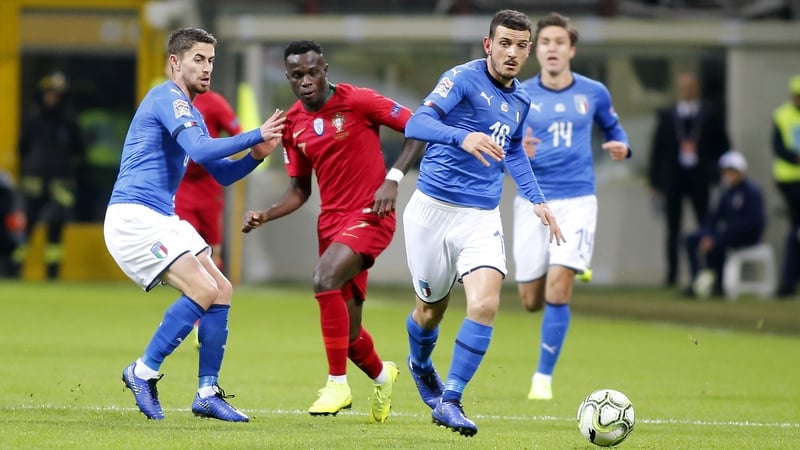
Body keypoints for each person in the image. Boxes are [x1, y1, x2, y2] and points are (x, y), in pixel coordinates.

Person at [104, 27, 285, 421]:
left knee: (220, 289)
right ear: (175, 62)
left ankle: (206, 392)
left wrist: (255, 154)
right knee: (203, 288)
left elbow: (218, 173)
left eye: (211, 61)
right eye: (199, 59)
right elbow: (201, 151)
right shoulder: (166, 97)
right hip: (134, 216)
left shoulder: (190, 108)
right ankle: (143, 371)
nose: (207, 68)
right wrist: (255, 133)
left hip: (161, 216)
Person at [241, 40, 426, 423]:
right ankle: (381, 375)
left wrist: (393, 179)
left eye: (312, 72)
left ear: (324, 68)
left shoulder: (358, 101)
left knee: (323, 277)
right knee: (352, 333)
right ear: (288, 77)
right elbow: (299, 190)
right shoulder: (292, 124)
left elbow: (419, 128)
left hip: (373, 215)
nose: (306, 81)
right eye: (297, 75)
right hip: (332, 225)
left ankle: (337, 385)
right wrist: (267, 214)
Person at [400, 9, 564, 436]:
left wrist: (537, 200)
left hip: (480, 216)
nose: (512, 52)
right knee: (429, 313)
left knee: (486, 303)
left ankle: (451, 400)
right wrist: (462, 136)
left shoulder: (522, 99)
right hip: (431, 211)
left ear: (528, 51)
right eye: (504, 43)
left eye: (521, 45)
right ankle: (419, 364)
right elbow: (416, 122)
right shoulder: (462, 78)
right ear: (488, 45)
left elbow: (512, 152)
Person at [513, 11, 632, 402]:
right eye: (544, 42)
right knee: (530, 300)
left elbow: (614, 129)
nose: (551, 48)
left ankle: (542, 379)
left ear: (571, 50)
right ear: (535, 51)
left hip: (578, 199)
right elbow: (502, 145)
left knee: (558, 289)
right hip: (534, 201)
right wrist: (518, 150)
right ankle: (568, 263)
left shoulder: (593, 92)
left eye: (558, 42)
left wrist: (622, 146)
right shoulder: (520, 94)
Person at [648, 71, 730, 288]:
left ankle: (708, 271)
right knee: (673, 228)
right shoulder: (667, 115)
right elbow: (657, 150)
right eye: (683, 87)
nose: (687, 91)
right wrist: (654, 182)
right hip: (674, 179)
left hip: (699, 178)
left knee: (705, 223)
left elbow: (722, 146)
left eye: (690, 87)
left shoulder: (709, 114)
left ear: (697, 89)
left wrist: (715, 172)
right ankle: (672, 274)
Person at [12, 71, 85, 280]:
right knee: (27, 226)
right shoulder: (33, 119)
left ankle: (52, 272)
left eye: (55, 94)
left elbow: (79, 151)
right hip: (33, 182)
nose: (51, 98)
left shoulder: (69, 121)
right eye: (48, 93)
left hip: (60, 185)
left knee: (55, 227)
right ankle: (14, 269)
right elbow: (22, 148)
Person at [684, 151, 765, 298]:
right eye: (726, 171)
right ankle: (696, 281)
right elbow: (714, 217)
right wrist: (707, 234)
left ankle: (718, 286)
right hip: (727, 234)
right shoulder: (727, 192)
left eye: (732, 171)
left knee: (717, 244)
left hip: (746, 237)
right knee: (691, 239)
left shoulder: (752, 192)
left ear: (741, 171)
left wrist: (717, 237)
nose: (729, 175)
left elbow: (754, 222)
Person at [176, 90, 242, 270]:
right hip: (179, 184)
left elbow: (237, 133)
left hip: (208, 184)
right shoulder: (165, 100)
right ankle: (194, 294)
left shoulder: (214, 102)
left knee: (213, 248)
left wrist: (219, 161)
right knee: (186, 246)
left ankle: (215, 294)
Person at [771, 74, 800, 298]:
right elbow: (777, 147)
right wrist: (794, 158)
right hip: (790, 180)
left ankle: (789, 282)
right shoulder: (782, 115)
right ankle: (788, 282)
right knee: (795, 230)